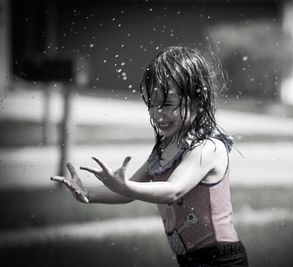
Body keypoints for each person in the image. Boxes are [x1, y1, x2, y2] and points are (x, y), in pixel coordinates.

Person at [51, 46, 248, 267]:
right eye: (151, 104)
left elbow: (173, 190)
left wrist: (126, 187)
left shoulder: (208, 148)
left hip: (221, 259)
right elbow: (127, 191)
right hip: (189, 260)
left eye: (167, 104)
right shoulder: (164, 148)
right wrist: (88, 193)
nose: (157, 114)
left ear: (197, 100)